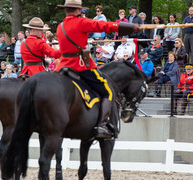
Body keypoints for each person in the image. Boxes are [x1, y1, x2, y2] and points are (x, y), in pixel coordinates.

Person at [56, 0, 140, 139]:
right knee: (108, 92)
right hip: (80, 65)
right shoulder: (81, 22)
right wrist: (130, 27)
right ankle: (101, 126)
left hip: (63, 66)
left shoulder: (60, 26)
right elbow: (104, 25)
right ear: (77, 10)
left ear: (66, 10)